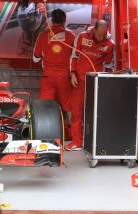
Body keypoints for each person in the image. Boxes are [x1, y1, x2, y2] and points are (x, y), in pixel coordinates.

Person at [67, 20, 114, 151]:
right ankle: (77, 142)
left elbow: (109, 65)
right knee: (76, 112)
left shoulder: (110, 44)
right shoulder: (82, 36)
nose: (100, 37)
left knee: (97, 113)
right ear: (94, 30)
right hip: (80, 81)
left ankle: (96, 142)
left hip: (97, 83)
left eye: (103, 35)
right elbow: (74, 56)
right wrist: (73, 74)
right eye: (99, 34)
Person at [33, 8, 75, 140]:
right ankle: (72, 134)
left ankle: (44, 134)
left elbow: (35, 58)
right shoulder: (71, 36)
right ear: (64, 20)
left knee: (45, 106)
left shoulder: (43, 35)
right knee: (68, 106)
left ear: (51, 20)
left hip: (48, 77)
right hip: (64, 76)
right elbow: (75, 57)